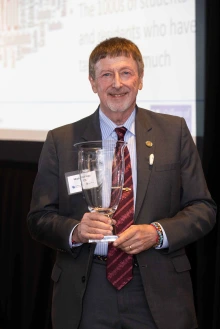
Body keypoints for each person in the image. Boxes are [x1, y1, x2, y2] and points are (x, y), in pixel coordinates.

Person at [27, 37, 217, 329]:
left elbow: (203, 209)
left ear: (139, 79)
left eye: (126, 72)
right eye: (106, 74)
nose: (117, 83)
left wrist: (157, 233)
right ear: (93, 83)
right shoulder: (61, 141)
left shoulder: (174, 132)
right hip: (87, 291)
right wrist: (76, 231)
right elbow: (39, 218)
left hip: (158, 288)